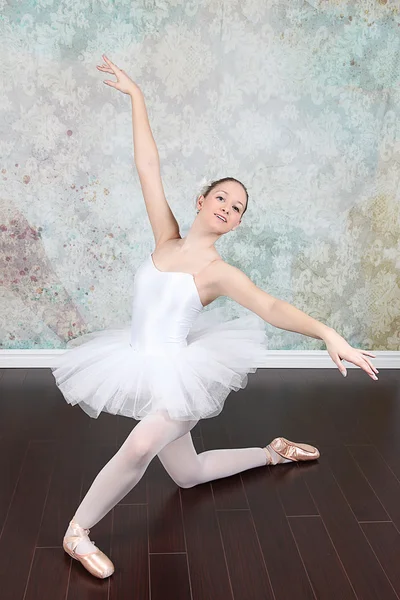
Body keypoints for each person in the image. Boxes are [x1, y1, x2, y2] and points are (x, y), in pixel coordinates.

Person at [53, 55, 378, 579]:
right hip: (136, 361)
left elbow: (271, 306)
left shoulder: (217, 272)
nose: (229, 207)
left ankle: (76, 533)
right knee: (188, 473)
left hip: (181, 374)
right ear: (202, 200)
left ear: (236, 223)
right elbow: (148, 168)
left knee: (140, 444)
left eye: (239, 207)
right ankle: (273, 453)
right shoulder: (167, 236)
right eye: (222, 197)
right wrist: (137, 97)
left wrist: (327, 333)